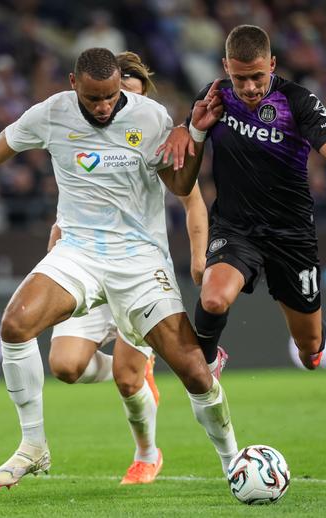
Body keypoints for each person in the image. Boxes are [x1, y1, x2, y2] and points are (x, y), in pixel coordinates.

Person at [0, 48, 237, 490]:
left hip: (139, 260)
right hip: (79, 251)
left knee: (195, 373)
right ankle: (33, 445)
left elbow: (182, 187)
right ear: (73, 84)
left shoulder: (151, 118)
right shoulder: (52, 114)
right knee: (17, 326)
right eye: (94, 99)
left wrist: (197, 138)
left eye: (111, 98)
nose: (104, 107)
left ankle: (233, 463)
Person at [158, 25, 326, 376]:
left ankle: (314, 339)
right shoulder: (215, 96)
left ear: (272, 64)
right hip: (236, 227)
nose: (250, 87)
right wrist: (185, 129)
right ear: (226, 67)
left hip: (292, 235)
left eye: (257, 77)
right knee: (213, 299)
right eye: (241, 79)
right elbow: (189, 149)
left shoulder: (297, 100)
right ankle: (207, 366)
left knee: (309, 349)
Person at [45, 51, 208, 485]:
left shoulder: (154, 133)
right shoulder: (80, 130)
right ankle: (134, 372)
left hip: (138, 270)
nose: (114, 110)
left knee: (126, 376)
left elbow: (192, 201)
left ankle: (147, 454)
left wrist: (198, 256)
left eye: (126, 98)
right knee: (64, 366)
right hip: (85, 259)